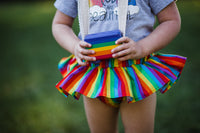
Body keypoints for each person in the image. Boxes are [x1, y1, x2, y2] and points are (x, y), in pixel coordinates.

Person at [52, 0, 186, 133]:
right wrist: (74, 46)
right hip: (94, 75)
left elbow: (171, 20)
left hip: (136, 75)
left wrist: (142, 47)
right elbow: (60, 23)